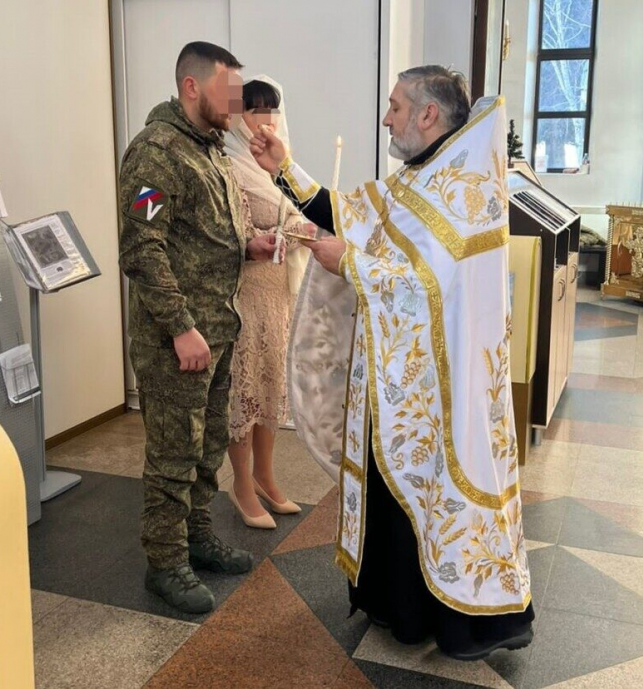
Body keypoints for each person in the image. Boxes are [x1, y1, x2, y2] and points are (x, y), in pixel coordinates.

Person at [251, 66, 534, 659]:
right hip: (400, 380)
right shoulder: (418, 179)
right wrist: (284, 166)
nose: (386, 118)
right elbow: (349, 212)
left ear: (428, 115)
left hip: (447, 387)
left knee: (438, 491)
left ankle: (459, 619)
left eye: (395, 106)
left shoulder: (465, 189)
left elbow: (433, 285)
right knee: (394, 484)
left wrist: (349, 265)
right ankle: (398, 605)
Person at [118, 41, 282, 615]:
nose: (236, 104)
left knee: (208, 443)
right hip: (177, 341)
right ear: (192, 87)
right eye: (227, 90)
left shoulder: (209, 150)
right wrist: (181, 327)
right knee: (172, 452)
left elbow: (204, 232)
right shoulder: (156, 153)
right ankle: (165, 564)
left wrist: (248, 244)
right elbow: (143, 248)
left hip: (219, 330)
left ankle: (196, 537)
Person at [223, 77, 314, 529]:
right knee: (245, 388)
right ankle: (241, 483)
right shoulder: (227, 162)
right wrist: (255, 242)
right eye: (255, 110)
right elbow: (224, 230)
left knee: (270, 386)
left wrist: (303, 229)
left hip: (277, 294)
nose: (265, 119)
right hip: (244, 294)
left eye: (271, 110)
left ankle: (265, 475)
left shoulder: (276, 165)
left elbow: (296, 214)